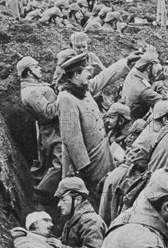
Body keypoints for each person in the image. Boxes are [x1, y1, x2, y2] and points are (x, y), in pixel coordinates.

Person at [56, 50, 140, 209]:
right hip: (89, 164)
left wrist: (126, 61)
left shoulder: (82, 89)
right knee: (93, 199)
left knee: (105, 194)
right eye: (85, 71)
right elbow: (71, 138)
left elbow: (103, 78)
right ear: (76, 75)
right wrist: (84, 168)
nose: (89, 74)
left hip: (101, 156)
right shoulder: (66, 98)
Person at [98, 100, 168, 225]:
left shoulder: (148, 129)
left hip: (122, 173)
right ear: (166, 119)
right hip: (127, 175)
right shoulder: (157, 134)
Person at [17, 56, 61, 200]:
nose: (40, 68)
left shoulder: (35, 86)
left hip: (52, 129)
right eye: (36, 67)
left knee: (51, 162)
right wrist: (64, 97)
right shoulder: (31, 93)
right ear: (29, 72)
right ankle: (43, 193)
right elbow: (48, 113)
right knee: (59, 162)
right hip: (51, 130)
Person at [46, 177, 107, 248]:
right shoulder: (74, 219)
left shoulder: (90, 221)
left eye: (63, 199)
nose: (59, 204)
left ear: (78, 199)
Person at [120, 49, 168, 120]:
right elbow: (166, 105)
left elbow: (159, 70)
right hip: (137, 121)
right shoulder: (144, 91)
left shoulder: (136, 72)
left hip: (129, 110)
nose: (159, 66)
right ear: (148, 67)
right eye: (156, 64)